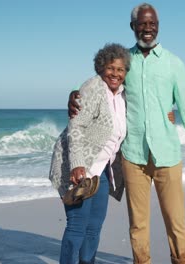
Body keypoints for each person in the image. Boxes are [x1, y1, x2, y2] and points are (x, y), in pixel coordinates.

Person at [69, 3, 185, 263]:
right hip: (133, 155)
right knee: (138, 224)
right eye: (143, 24)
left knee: (176, 221)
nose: (148, 28)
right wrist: (73, 94)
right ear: (133, 27)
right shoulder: (125, 61)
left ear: (158, 26)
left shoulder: (173, 63)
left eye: (152, 23)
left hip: (167, 154)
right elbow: (102, 83)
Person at [49, 43, 130, 264]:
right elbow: (75, 127)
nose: (115, 74)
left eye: (120, 69)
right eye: (110, 68)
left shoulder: (123, 95)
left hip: (101, 171)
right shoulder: (93, 88)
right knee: (77, 227)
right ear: (101, 68)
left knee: (94, 228)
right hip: (78, 168)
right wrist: (77, 164)